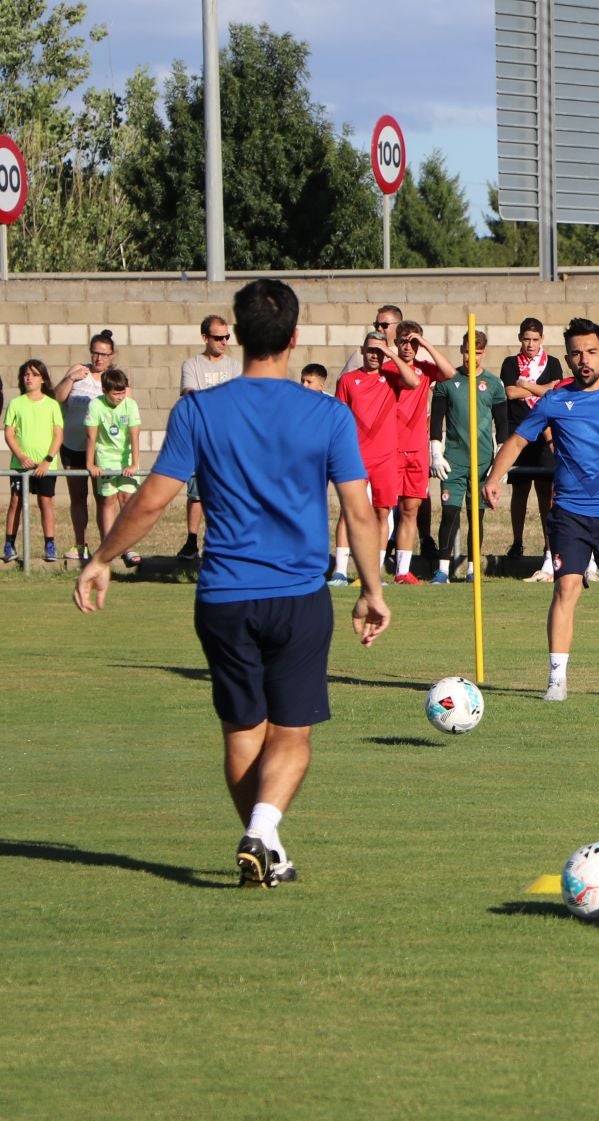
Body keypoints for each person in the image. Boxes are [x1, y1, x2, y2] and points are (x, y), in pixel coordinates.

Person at [75, 277, 391, 888]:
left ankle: (265, 845)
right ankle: (264, 831)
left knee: (242, 730)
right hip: (297, 596)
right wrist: (371, 591)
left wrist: (101, 558)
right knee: (291, 731)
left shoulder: (198, 410)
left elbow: (151, 500)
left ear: (238, 335)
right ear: (294, 338)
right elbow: (358, 511)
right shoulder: (328, 413)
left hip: (223, 595)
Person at [481, 318, 599, 702]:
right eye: (576, 353)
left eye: (591, 352)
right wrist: (493, 478)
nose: (584, 359)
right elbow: (517, 441)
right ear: (569, 358)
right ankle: (556, 679)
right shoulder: (554, 401)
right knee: (566, 587)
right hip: (569, 513)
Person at [329, 332, 415, 585]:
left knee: (382, 512)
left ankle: (373, 574)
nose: (375, 355)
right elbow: (339, 416)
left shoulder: (392, 377)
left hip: (385, 457)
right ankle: (340, 571)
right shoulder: (348, 380)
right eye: (371, 350)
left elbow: (413, 382)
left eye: (379, 351)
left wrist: (391, 355)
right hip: (355, 456)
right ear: (362, 350)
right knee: (348, 511)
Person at [429, 330, 508, 584]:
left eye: (477, 352)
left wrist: (500, 461)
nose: (471, 357)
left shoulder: (494, 384)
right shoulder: (447, 382)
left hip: (483, 462)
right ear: (461, 350)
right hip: (453, 460)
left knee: (476, 516)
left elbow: (502, 425)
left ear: (483, 353)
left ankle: (473, 569)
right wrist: (436, 453)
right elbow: (436, 420)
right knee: (449, 513)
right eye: (467, 351)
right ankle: (443, 570)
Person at [389, 320, 457, 584]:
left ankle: (402, 571)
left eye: (413, 342)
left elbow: (450, 373)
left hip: (417, 449)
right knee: (382, 511)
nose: (408, 347)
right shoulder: (388, 368)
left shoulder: (425, 368)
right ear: (396, 343)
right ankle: (371, 569)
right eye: (404, 342)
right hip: (391, 447)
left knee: (410, 509)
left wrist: (425, 344)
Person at [502, 317, 566, 574]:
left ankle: (548, 546)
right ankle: (517, 541)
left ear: (542, 339)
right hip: (518, 434)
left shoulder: (552, 363)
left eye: (535, 339)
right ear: (520, 338)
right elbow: (509, 393)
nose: (530, 344)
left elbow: (555, 394)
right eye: (526, 339)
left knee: (546, 494)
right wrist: (541, 389)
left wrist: (526, 386)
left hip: (545, 436)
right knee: (519, 492)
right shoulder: (510, 363)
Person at [177, 313, 239, 557]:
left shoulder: (235, 367)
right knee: (196, 493)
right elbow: (190, 395)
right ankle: (191, 541)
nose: (224, 342)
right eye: (218, 337)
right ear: (205, 337)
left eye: (227, 337)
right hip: (200, 439)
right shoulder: (192, 365)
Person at [52, 329, 116, 563]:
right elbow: (56, 398)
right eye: (95, 353)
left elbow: (124, 406)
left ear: (111, 355)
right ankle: (80, 545)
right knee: (78, 497)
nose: (99, 358)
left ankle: (106, 546)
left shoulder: (113, 378)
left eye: (104, 354)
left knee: (103, 499)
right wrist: (71, 378)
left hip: (100, 450)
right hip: (72, 446)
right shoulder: (79, 371)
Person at [84, 366, 142, 569]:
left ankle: (128, 547)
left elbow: (134, 435)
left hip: (126, 458)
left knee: (127, 500)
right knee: (108, 501)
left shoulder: (130, 405)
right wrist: (90, 463)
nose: (119, 397)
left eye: (122, 392)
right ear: (104, 391)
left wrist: (134, 463)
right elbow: (91, 436)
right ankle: (108, 549)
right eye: (115, 394)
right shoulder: (95, 405)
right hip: (106, 458)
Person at [4, 359, 61, 564]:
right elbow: (9, 434)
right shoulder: (16, 404)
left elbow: (58, 435)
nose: (29, 378)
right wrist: (20, 456)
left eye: (35, 374)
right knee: (16, 502)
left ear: (43, 379)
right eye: (26, 374)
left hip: (46, 466)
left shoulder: (52, 405)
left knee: (45, 502)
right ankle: (9, 544)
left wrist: (47, 460)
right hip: (20, 466)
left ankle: (50, 544)